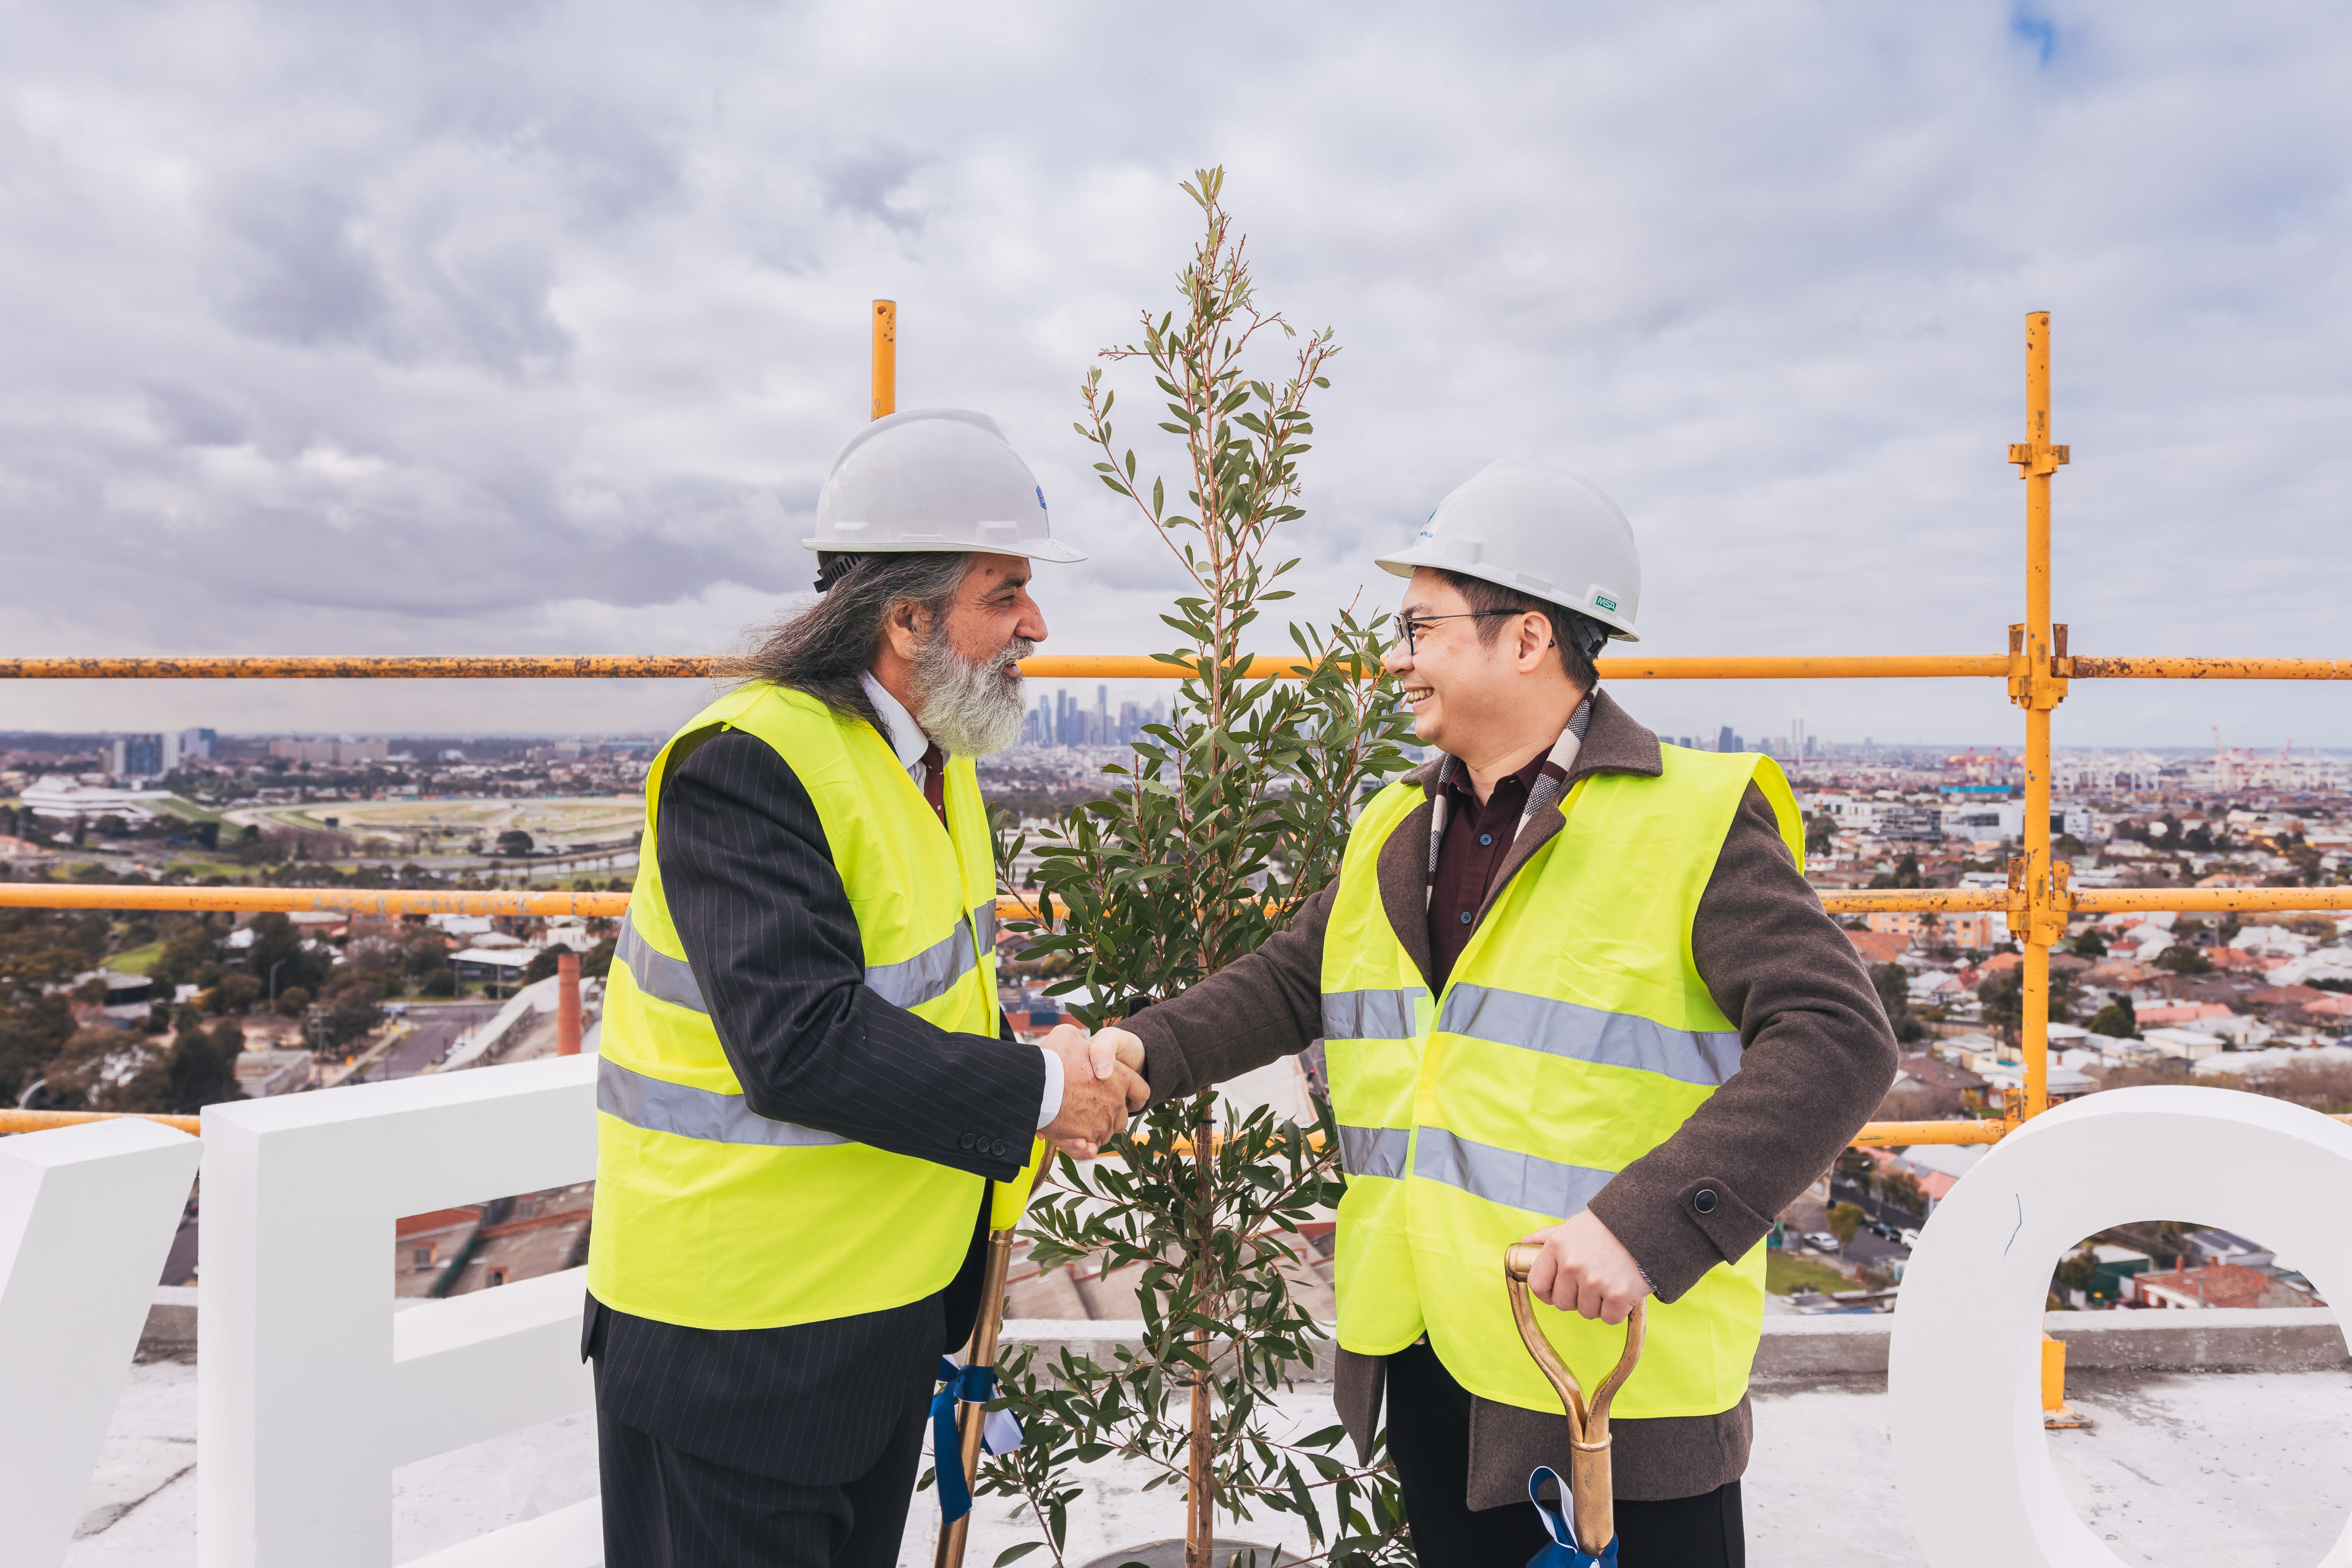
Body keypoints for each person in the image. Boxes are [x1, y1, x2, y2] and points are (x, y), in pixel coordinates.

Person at [1092, 459, 1898, 1564]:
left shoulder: (1696, 819)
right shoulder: (1397, 823)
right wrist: (1134, 1053)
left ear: (1526, 639)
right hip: (1435, 1353)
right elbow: (1291, 980)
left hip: (1616, 1376)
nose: (1398, 658)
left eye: (1422, 627)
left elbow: (1839, 1040)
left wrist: (1646, 1226)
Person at [583, 409, 1146, 1567]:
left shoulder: (935, 762)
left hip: (871, 1322)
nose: (1036, 625)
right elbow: (799, 1040)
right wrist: (1043, 1091)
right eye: (1006, 594)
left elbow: (926, 994)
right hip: (736, 1342)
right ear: (905, 615)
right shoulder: (751, 761)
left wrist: (1035, 1041)